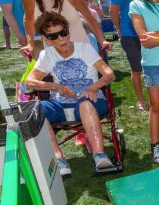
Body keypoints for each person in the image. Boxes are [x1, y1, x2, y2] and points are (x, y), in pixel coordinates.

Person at [25, 11, 116, 174]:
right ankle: (59, 159)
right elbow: (29, 82)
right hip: (60, 104)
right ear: (46, 39)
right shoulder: (47, 55)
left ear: (68, 31)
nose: (61, 39)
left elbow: (109, 73)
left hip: (92, 101)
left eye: (63, 33)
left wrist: (93, 87)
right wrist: (56, 87)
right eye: (53, 36)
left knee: (85, 103)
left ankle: (100, 155)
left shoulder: (85, 49)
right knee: (37, 108)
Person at [129, 0, 159, 165]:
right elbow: (144, 37)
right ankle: (155, 147)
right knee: (156, 105)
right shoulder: (136, 5)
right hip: (152, 63)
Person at [22, 0, 113, 58]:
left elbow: (88, 16)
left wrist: (102, 40)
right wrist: (30, 44)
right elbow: (28, 19)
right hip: (53, 49)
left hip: (79, 45)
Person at [110, 0, 148, 110]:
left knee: (156, 65)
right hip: (129, 34)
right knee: (136, 68)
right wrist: (119, 29)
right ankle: (141, 100)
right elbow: (113, 11)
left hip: (150, 31)